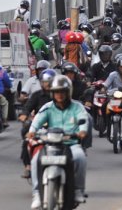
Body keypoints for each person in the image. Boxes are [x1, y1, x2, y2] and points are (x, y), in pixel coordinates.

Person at [27, 75, 88, 208]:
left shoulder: (77, 107)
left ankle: (78, 190)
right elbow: (37, 120)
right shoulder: (47, 107)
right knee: (36, 159)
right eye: (56, 92)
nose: (59, 95)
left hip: (70, 143)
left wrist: (82, 131)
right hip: (50, 144)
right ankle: (37, 193)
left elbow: (83, 119)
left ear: (68, 92)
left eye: (62, 92)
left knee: (80, 157)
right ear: (52, 93)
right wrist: (32, 131)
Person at [18, 69, 56, 178]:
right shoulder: (36, 95)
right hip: (40, 124)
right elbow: (27, 107)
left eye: (49, 81)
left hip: (58, 124)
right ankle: (28, 167)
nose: (46, 84)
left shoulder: (59, 93)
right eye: (44, 82)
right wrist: (24, 114)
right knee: (27, 140)